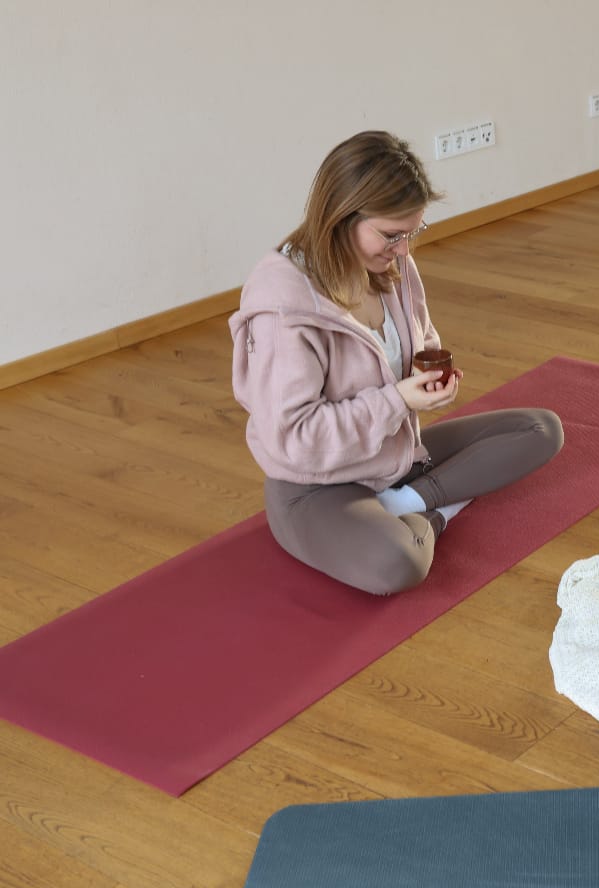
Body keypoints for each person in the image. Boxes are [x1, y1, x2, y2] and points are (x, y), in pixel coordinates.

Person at [229, 131, 563, 595]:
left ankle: (407, 502)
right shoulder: (284, 309)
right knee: (397, 564)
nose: (404, 249)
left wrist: (425, 384)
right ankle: (434, 510)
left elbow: (421, 339)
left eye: (413, 232)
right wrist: (395, 400)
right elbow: (296, 441)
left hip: (399, 454)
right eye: (392, 235)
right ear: (342, 216)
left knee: (541, 430)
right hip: (318, 486)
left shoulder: (392, 267)